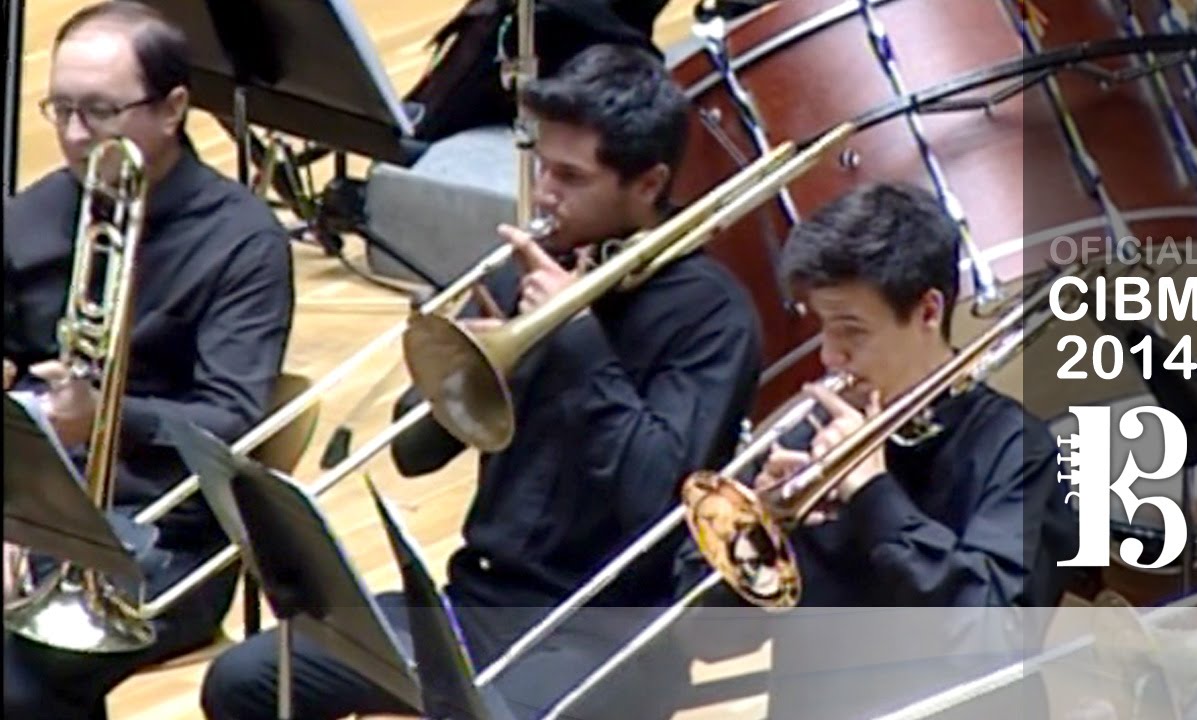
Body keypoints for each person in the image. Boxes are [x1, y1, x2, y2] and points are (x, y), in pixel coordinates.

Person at [200, 43, 764, 720]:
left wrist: (576, 338)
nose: (544, 193)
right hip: (477, 604)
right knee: (245, 680)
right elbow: (415, 455)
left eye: (571, 177)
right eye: (542, 166)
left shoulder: (712, 317)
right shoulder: (526, 270)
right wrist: (464, 363)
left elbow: (655, 498)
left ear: (648, 184)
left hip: (608, 635)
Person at [672, 182, 1081, 719]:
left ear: (928, 311)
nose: (829, 356)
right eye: (822, 327)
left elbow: (991, 638)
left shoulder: (1017, 449)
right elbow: (706, 639)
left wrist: (874, 495)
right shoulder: (805, 440)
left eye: (852, 331)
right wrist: (762, 533)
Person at [3, 3, 295, 718]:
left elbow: (234, 422)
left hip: (168, 532)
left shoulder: (243, 243)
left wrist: (107, 418)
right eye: (61, 109)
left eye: (100, 111)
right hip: (33, 505)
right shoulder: (29, 217)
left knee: (18, 683)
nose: (75, 135)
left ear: (172, 108)